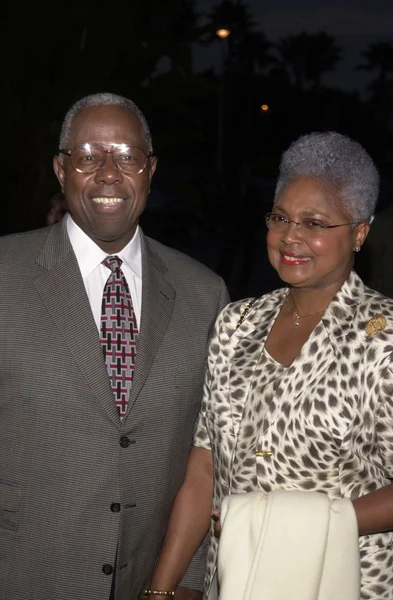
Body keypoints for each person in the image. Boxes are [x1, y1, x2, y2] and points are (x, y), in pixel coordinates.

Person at [0, 93, 229, 600]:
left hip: (148, 584)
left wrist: (186, 581)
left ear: (150, 170)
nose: (108, 173)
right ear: (61, 170)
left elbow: (207, 451)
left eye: (127, 156)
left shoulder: (203, 293)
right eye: (88, 156)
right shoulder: (5, 275)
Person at [148, 132, 393, 600]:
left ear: (360, 233)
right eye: (280, 217)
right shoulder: (236, 324)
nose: (291, 236)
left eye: (315, 223)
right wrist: (159, 591)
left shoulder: (381, 342)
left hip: (340, 583)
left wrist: (285, 523)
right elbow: (204, 469)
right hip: (236, 583)